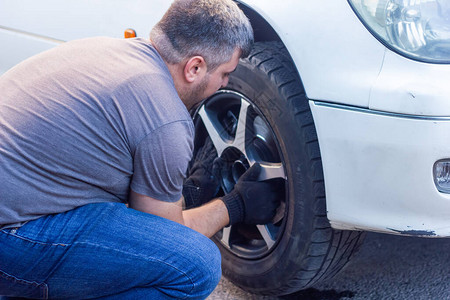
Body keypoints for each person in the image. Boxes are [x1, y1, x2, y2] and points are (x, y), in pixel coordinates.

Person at [0, 0, 279, 299]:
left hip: (15, 200)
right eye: (225, 74)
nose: (225, 83)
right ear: (195, 67)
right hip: (10, 239)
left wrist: (191, 192)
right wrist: (234, 206)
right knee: (197, 265)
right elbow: (169, 236)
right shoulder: (165, 120)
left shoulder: (106, 49)